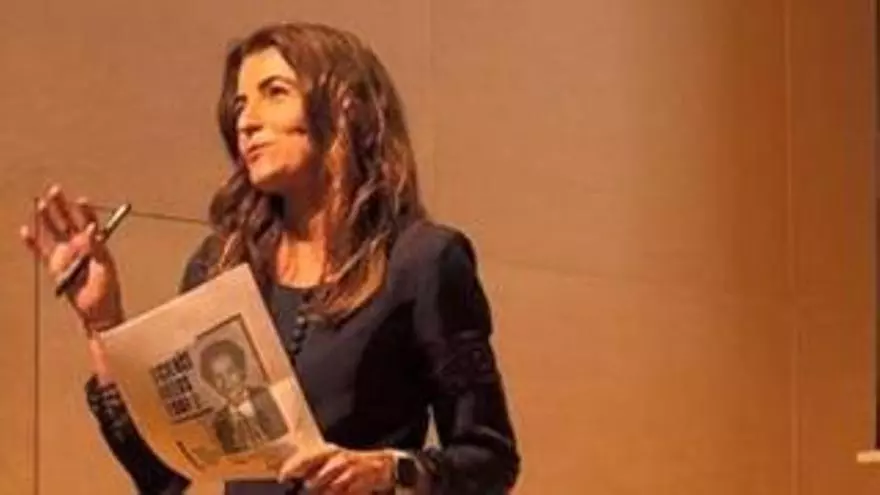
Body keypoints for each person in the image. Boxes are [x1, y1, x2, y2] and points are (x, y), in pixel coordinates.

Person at [20, 21, 520, 494]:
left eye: (274, 93)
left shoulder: (424, 261)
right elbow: (162, 474)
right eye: (240, 105)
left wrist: (390, 469)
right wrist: (101, 322)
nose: (246, 121)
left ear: (344, 107)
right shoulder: (220, 263)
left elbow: (489, 459)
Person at [199, 339, 288, 454]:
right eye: (218, 377)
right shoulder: (219, 424)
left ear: (242, 371)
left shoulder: (269, 397)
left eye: (231, 372)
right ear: (211, 383)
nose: (226, 382)